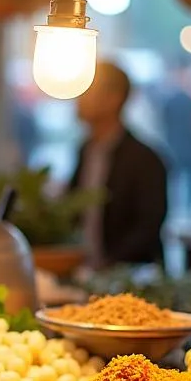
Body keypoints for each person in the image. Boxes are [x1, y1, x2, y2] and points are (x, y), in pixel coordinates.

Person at [68, 61, 168, 268]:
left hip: (130, 280)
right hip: (88, 273)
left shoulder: (145, 160)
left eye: (87, 90)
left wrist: (107, 264)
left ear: (114, 99)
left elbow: (147, 228)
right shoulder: (84, 150)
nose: (78, 99)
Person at [160, 69, 191, 218]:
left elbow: (164, 123)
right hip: (190, 149)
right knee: (190, 181)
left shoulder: (171, 101)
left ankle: (177, 209)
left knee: (176, 182)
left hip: (175, 147)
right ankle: (189, 208)